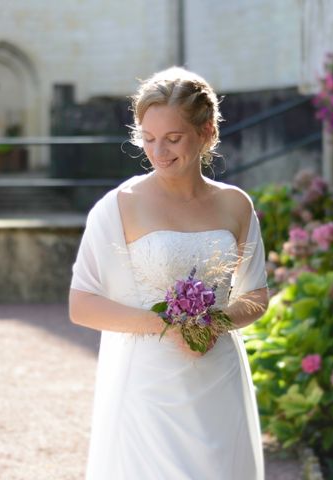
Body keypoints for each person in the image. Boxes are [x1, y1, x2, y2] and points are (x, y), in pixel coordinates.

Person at [68, 66, 269, 480]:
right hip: (148, 386)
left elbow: (256, 296)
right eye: (149, 139)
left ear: (207, 131)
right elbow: (81, 304)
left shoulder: (236, 205)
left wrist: (214, 323)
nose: (159, 152)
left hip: (219, 379)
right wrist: (167, 325)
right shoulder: (118, 206)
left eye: (173, 138)